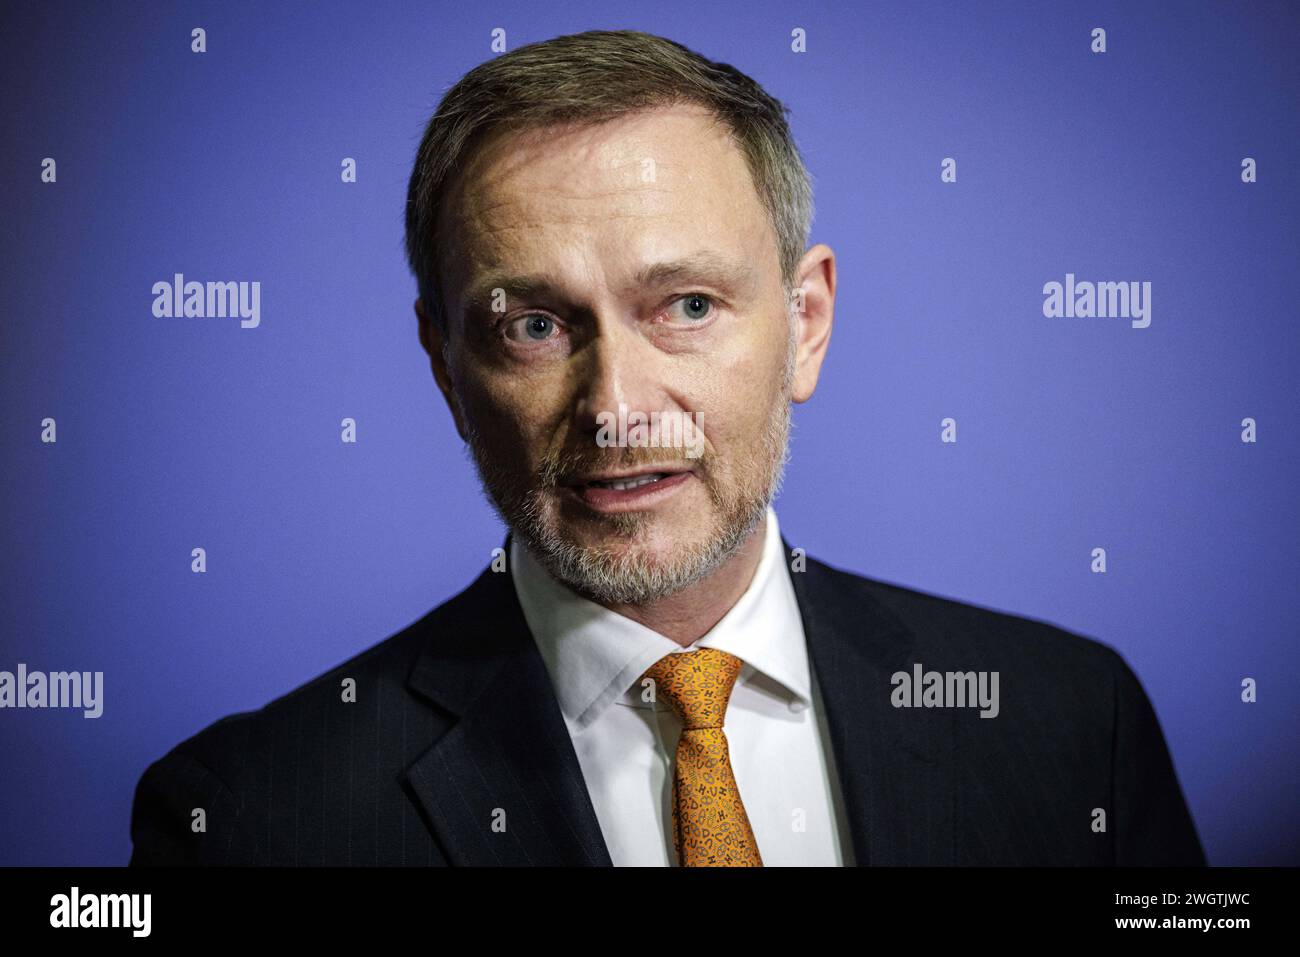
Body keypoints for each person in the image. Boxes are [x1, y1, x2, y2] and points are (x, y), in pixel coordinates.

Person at [129, 29, 1205, 867]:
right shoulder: (249, 819)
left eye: (686, 304)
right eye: (533, 326)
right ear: (444, 368)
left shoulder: (1070, 721)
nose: (618, 409)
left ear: (806, 324)